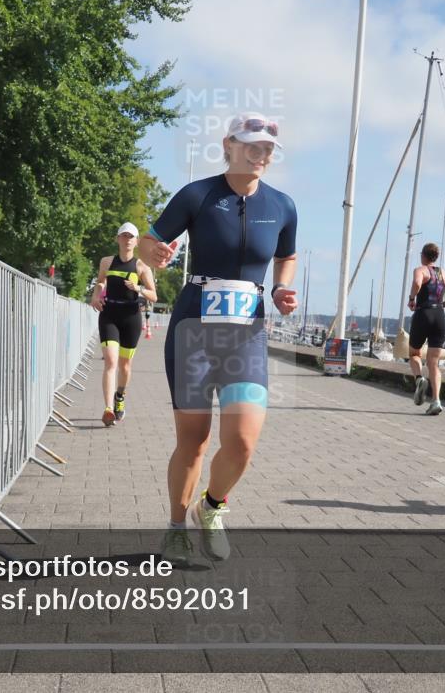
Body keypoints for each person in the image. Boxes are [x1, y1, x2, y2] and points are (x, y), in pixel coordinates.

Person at [139, 112, 298, 564]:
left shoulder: (283, 205)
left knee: (243, 441)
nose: (260, 154)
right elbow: (152, 242)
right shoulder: (198, 195)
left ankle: (211, 507)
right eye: (251, 145)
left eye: (267, 147)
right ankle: (174, 526)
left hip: (246, 335)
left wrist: (284, 288)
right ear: (228, 144)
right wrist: (160, 253)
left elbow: (287, 257)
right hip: (193, 331)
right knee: (194, 439)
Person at [91, 222, 158, 426]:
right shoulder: (106, 262)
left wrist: (138, 288)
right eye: (123, 236)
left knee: (125, 366)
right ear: (117, 239)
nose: (127, 240)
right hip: (109, 314)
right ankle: (108, 409)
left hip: (131, 317)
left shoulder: (141, 267)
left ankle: (119, 396)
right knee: (110, 361)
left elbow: (154, 295)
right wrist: (95, 295)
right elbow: (101, 282)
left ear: (136, 242)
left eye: (131, 237)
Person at [407, 242, 445, 415]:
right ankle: (436, 401)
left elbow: (417, 282)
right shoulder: (443, 274)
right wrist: (441, 305)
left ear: (424, 255)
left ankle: (419, 379)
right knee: (434, 363)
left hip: (423, 314)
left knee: (414, 354)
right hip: (439, 317)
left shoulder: (421, 270)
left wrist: (412, 298)